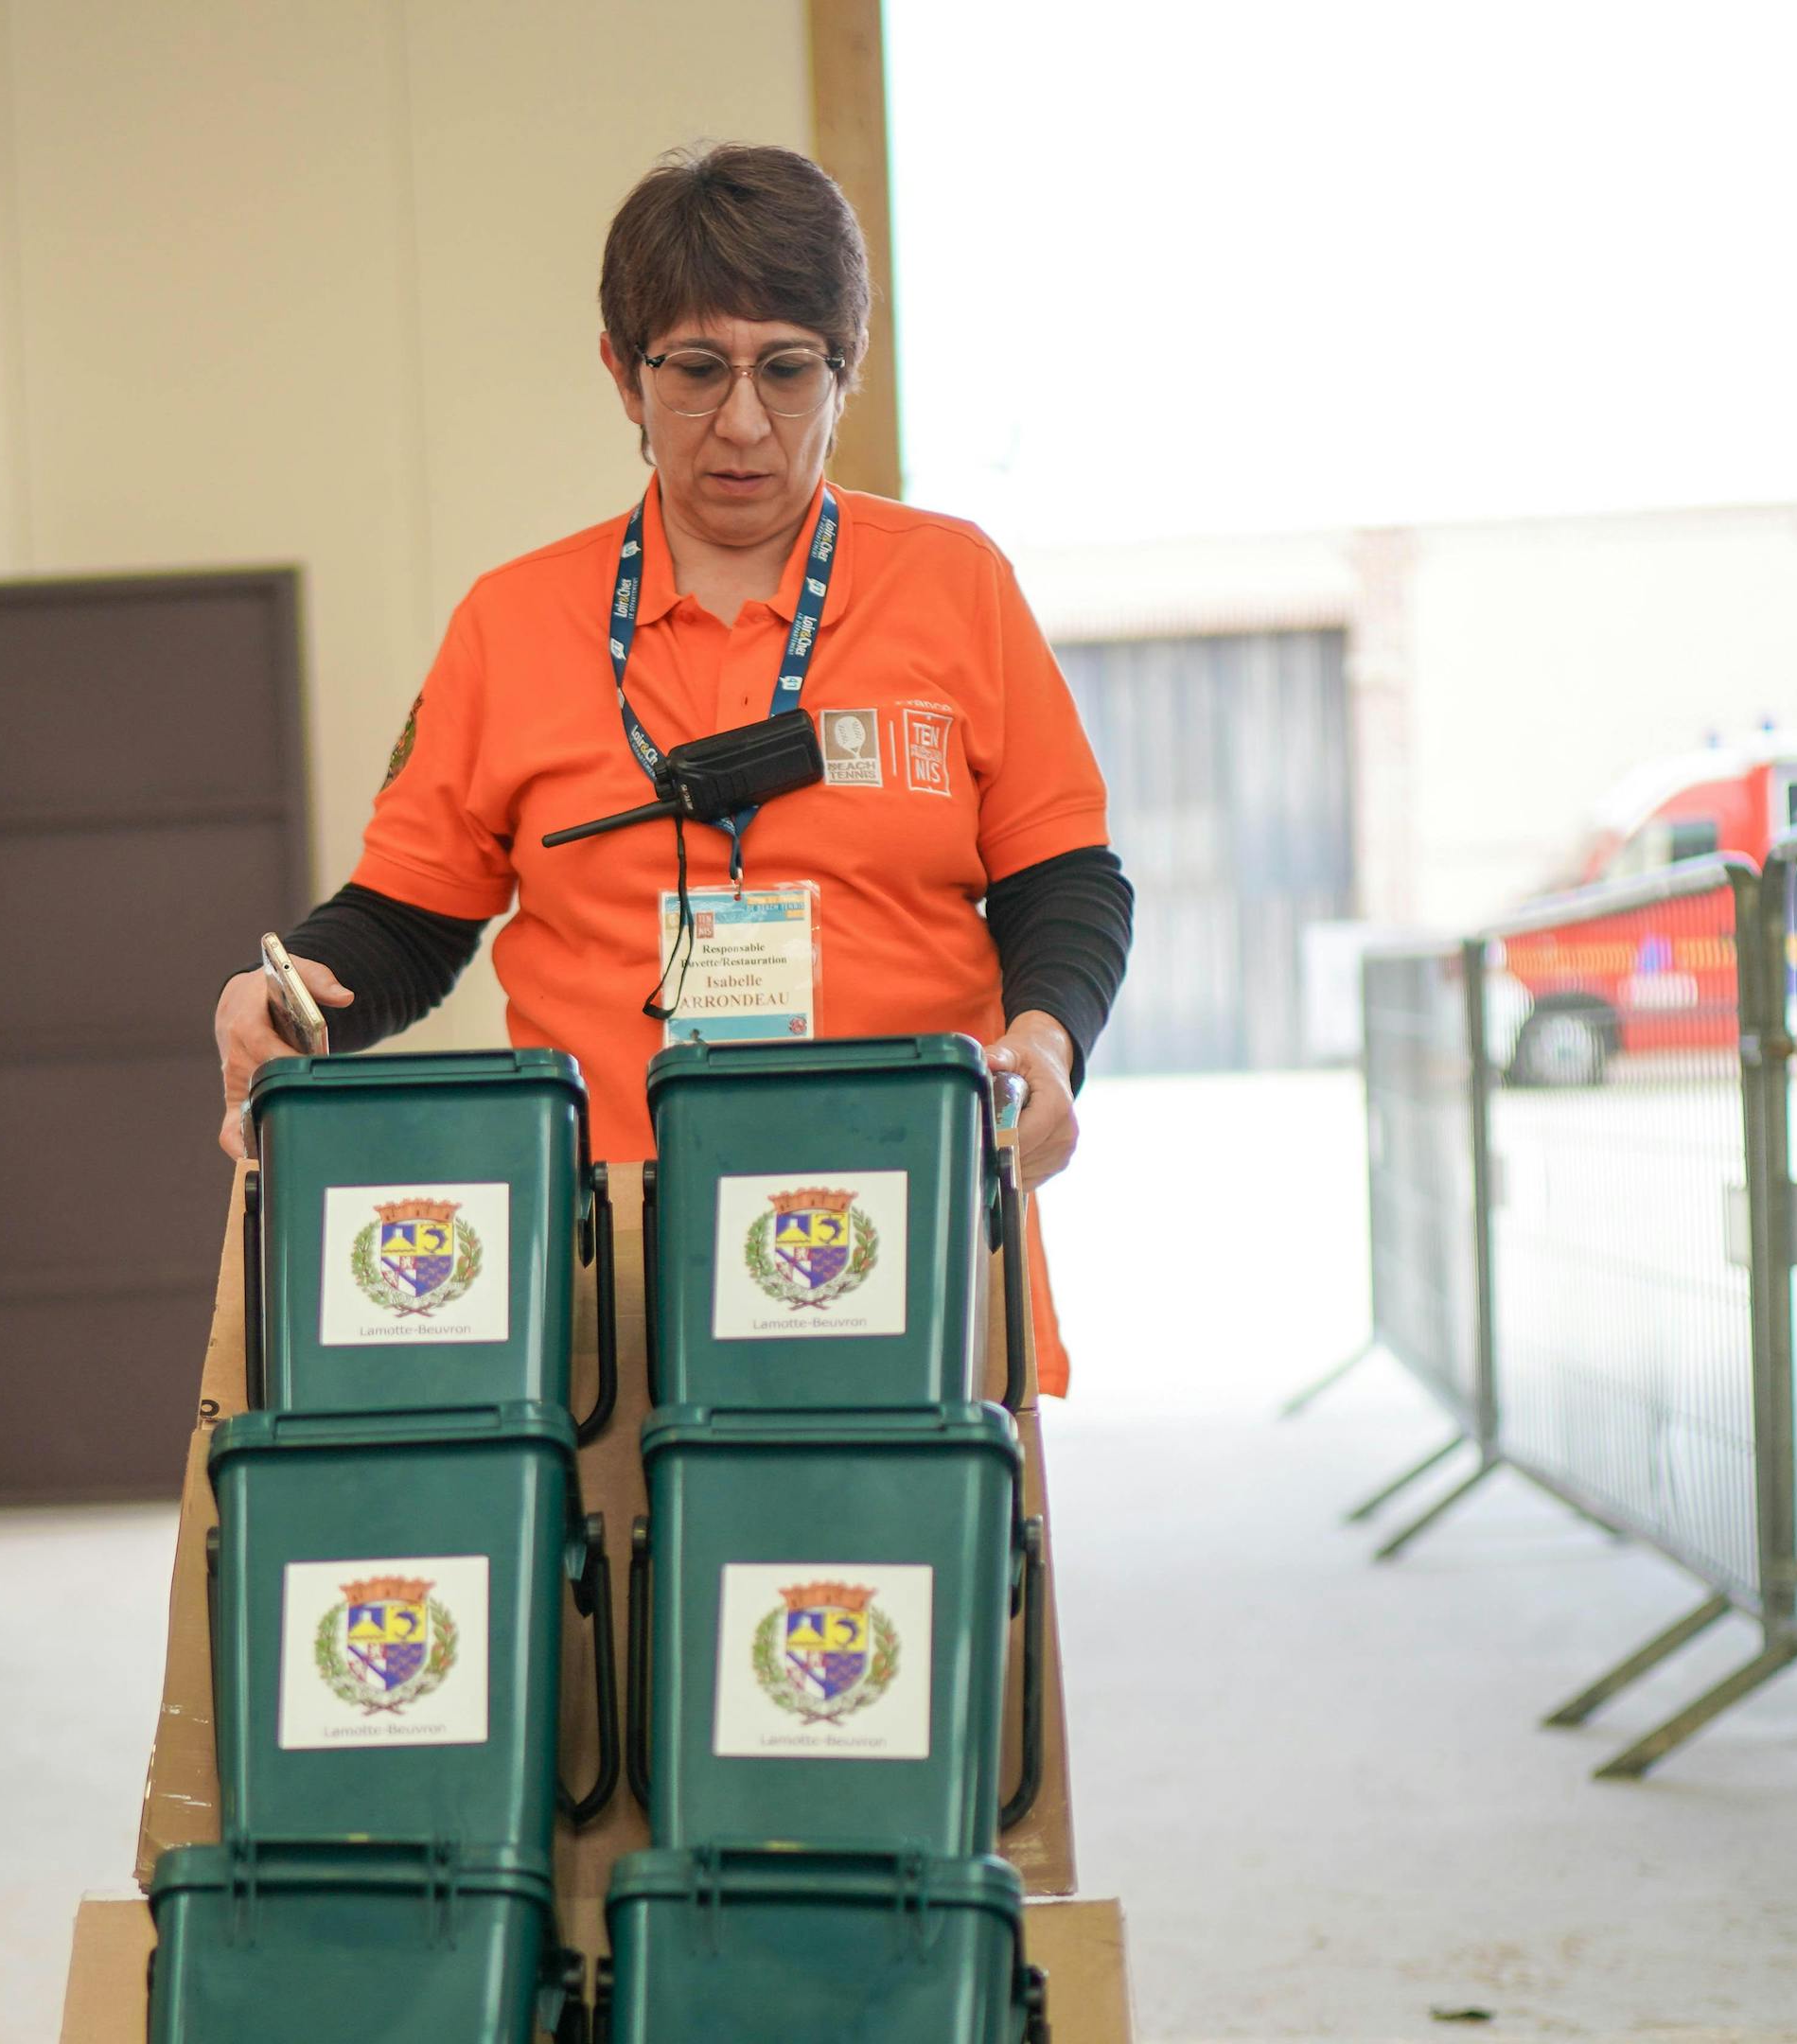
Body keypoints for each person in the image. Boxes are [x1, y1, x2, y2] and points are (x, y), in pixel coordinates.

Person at [211, 143, 1131, 1394]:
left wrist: (1047, 1046)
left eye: (787, 369)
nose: (742, 421)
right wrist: (295, 997)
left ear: (843, 371)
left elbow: (1061, 877)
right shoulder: (515, 621)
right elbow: (409, 919)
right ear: (622, 375)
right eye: (696, 370)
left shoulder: (955, 585)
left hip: (915, 1214)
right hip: (611, 1244)